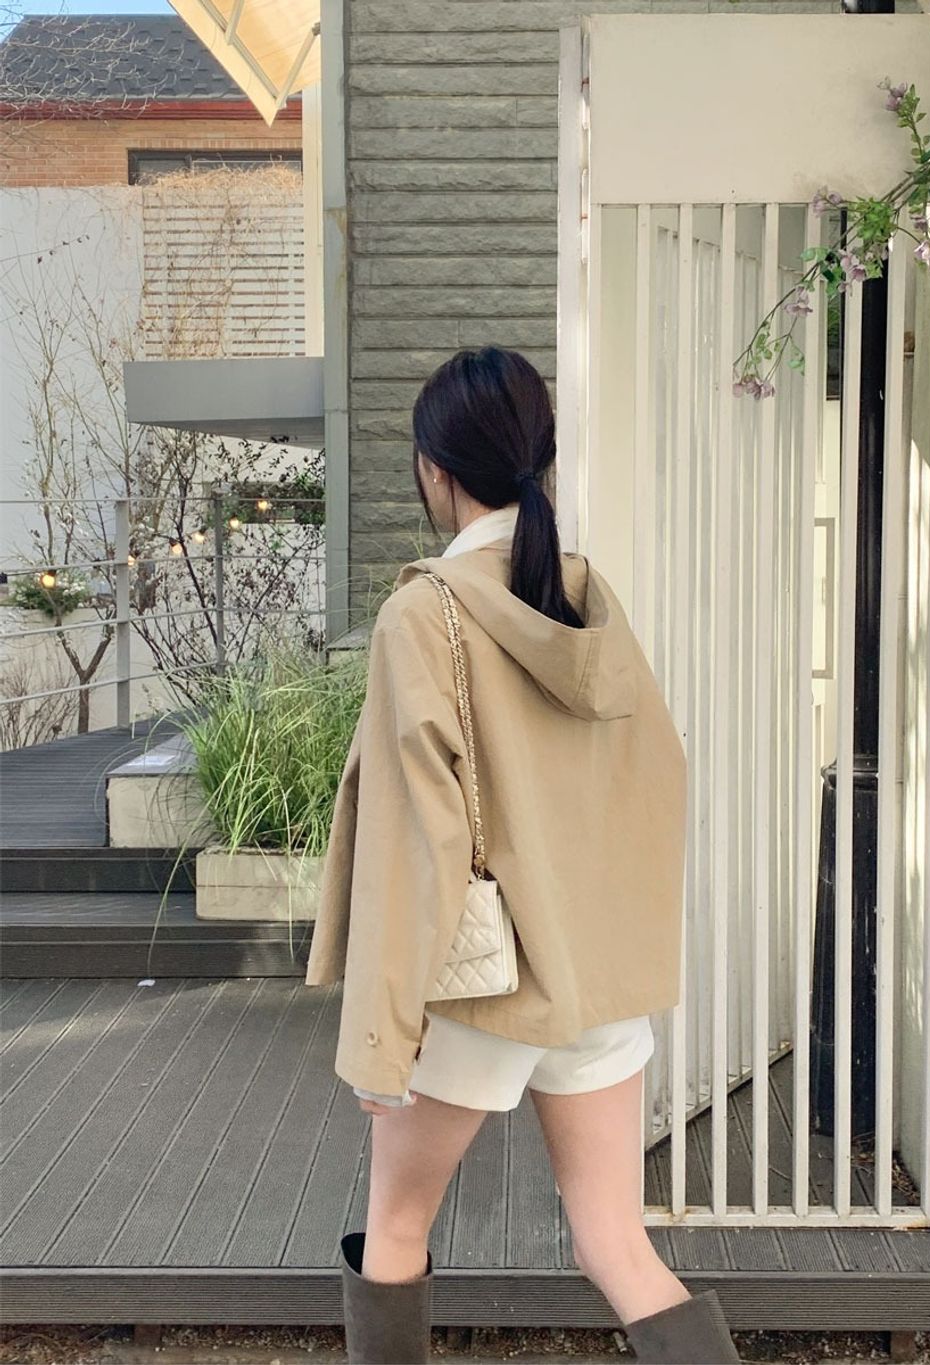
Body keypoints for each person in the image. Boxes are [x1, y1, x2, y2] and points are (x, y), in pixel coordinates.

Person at [305, 346, 739, 1365]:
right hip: (591, 978)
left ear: (434, 470)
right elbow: (654, 777)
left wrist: (383, 1037)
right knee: (615, 1243)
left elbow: (416, 840)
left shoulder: (424, 613)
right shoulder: (584, 598)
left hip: (478, 983)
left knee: (396, 1232)